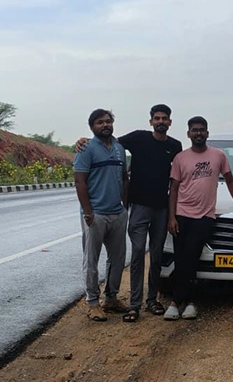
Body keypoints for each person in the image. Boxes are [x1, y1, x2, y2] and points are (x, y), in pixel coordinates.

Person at [76, 104, 182, 322]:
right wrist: (82, 140)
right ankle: (128, 303)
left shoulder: (174, 146)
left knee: (152, 255)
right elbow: (82, 177)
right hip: (132, 208)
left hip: (155, 208)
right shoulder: (136, 138)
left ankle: (146, 299)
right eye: (157, 118)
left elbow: (126, 177)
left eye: (164, 118)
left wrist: (123, 207)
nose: (161, 121)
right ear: (151, 121)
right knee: (135, 254)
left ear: (170, 122)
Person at [165, 116, 233, 320]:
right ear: (188, 134)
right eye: (194, 130)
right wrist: (171, 217)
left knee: (191, 255)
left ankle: (177, 301)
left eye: (202, 130)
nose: (198, 133)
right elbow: (173, 189)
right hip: (181, 214)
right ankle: (187, 302)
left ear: (207, 133)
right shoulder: (180, 158)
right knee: (181, 258)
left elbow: (230, 182)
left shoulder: (218, 155)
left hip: (204, 216)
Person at [73, 109, 129, 322]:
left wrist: (125, 207)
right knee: (91, 260)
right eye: (100, 122)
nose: (105, 125)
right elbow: (80, 181)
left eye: (108, 121)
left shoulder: (119, 148)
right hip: (95, 214)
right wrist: (88, 212)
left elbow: (124, 178)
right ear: (92, 127)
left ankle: (111, 298)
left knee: (117, 259)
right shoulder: (86, 149)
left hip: (117, 213)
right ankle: (93, 303)